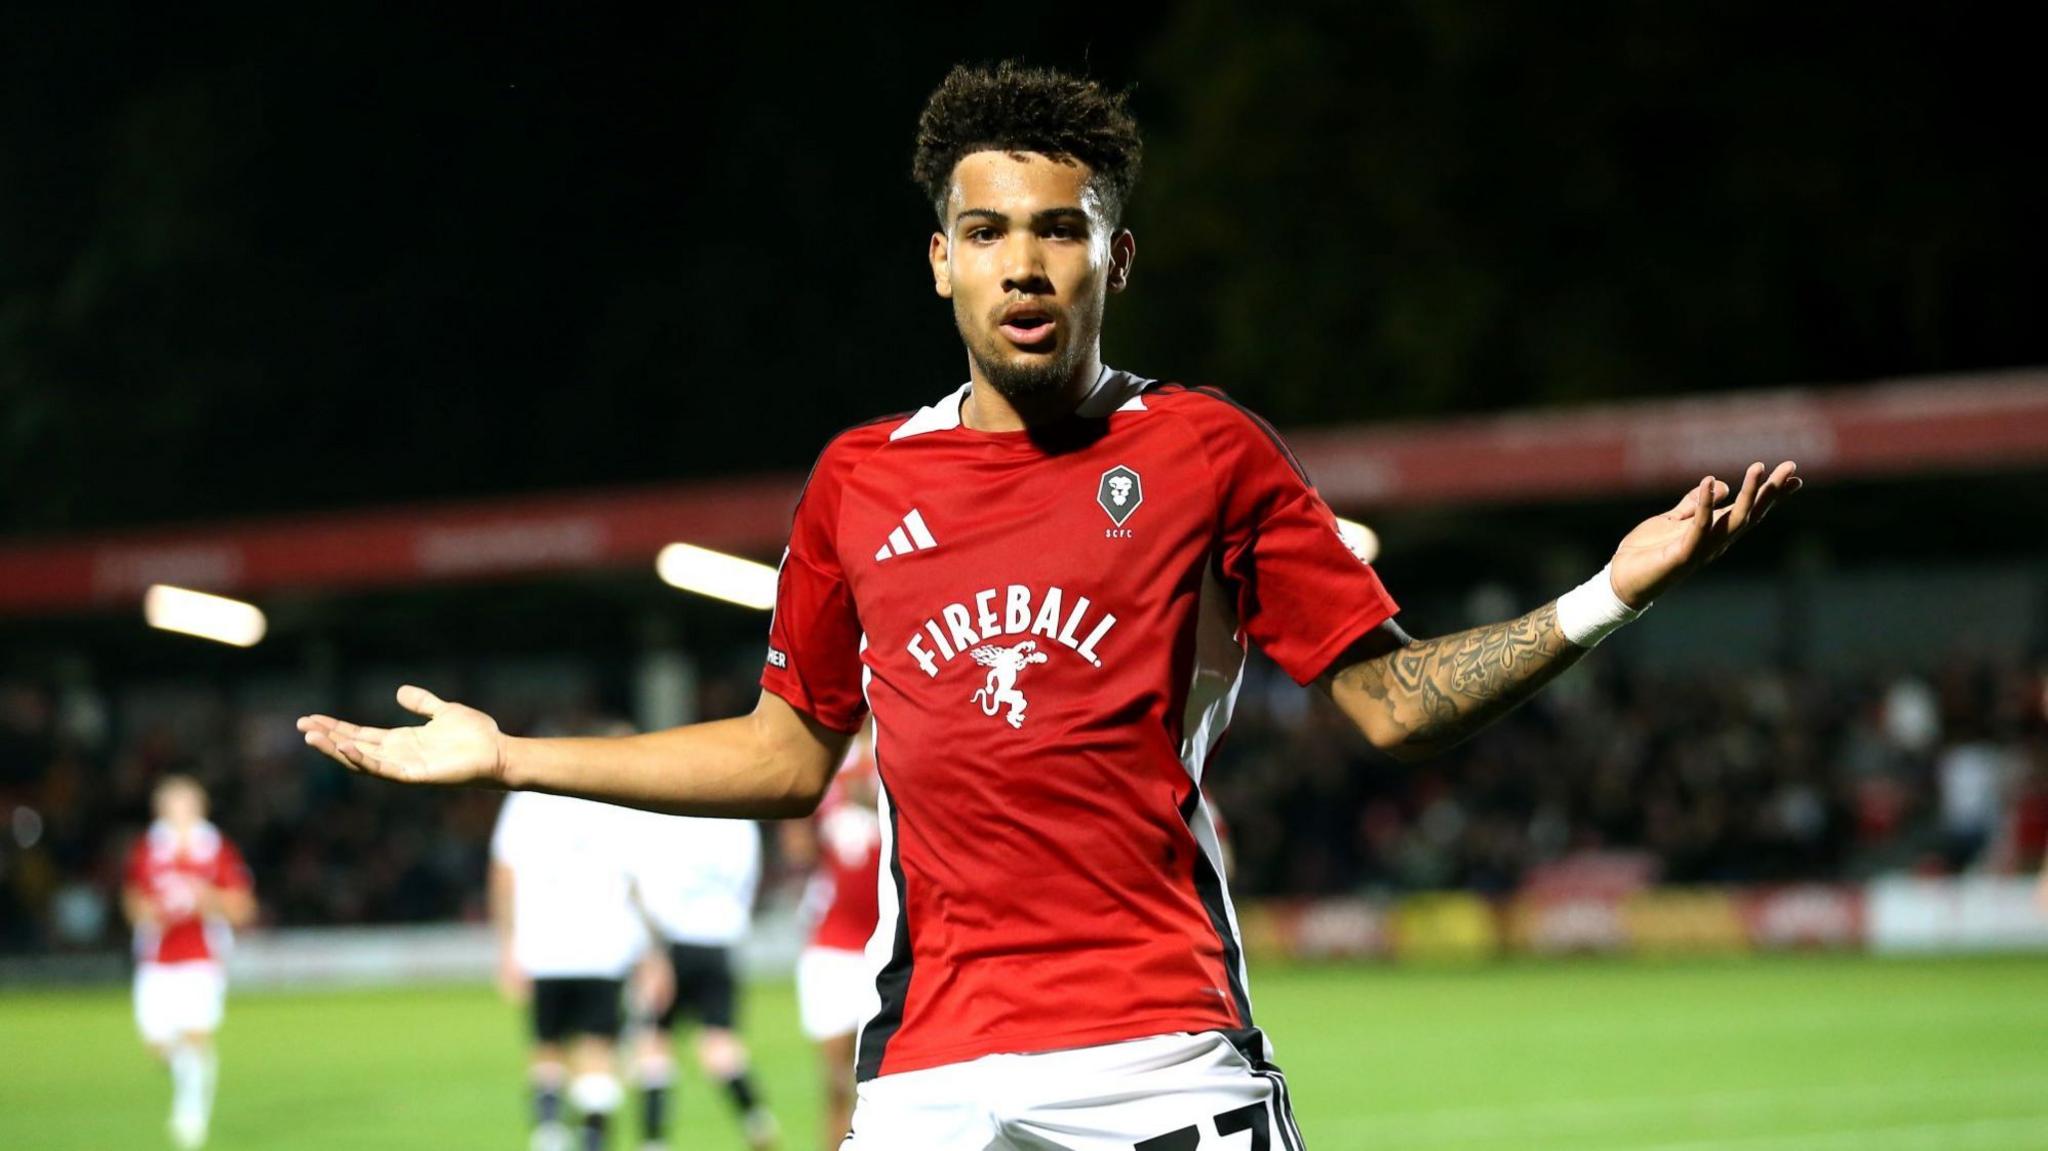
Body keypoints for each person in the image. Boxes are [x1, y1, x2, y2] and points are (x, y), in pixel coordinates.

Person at [299, 61, 1801, 1149]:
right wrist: (510, 756)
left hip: (1164, 1055)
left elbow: (1389, 699)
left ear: (1116, 258)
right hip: (934, 1072)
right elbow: (781, 753)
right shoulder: (856, 482)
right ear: (940, 261)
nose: (1029, 262)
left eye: (1063, 228)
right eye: (992, 229)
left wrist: (1608, 592)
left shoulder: (1209, 451)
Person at [491, 790, 646, 1151]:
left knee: (547, 1049)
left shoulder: (525, 802)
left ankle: (549, 1134)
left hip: (545, 948)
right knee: (598, 1052)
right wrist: (648, 950)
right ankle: (592, 1139)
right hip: (604, 949)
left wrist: (507, 945)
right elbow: (636, 881)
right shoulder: (614, 800)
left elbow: (504, 874)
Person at [624, 801, 778, 1150]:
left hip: (672, 941)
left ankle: (653, 1141)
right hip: (720, 941)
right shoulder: (740, 824)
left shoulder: (669, 818)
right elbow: (748, 884)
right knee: (720, 1044)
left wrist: (651, 951)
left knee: (653, 1046)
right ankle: (756, 1119)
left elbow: (643, 885)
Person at [123, 775, 255, 1150]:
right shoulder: (149, 848)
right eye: (172, 805)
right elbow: (133, 900)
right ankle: (187, 1083)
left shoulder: (216, 849)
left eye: (186, 805)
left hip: (202, 957)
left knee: (196, 1035)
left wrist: (207, 899)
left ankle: (191, 1113)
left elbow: (242, 906)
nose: (179, 813)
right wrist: (146, 912)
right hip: (156, 958)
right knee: (159, 1044)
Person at [780, 727, 883, 1151]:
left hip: (888, 944)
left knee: (881, 1084)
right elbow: (798, 847)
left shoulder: (897, 757)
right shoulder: (826, 768)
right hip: (834, 947)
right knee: (838, 1084)